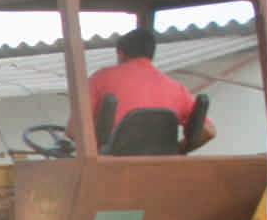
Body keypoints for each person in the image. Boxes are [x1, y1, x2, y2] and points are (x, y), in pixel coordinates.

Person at [66, 27, 217, 152]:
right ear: (151, 54)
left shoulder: (100, 78)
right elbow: (208, 132)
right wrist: (178, 150)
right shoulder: (176, 88)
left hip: (109, 174)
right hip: (160, 174)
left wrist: (97, 153)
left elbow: (74, 130)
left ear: (121, 53)